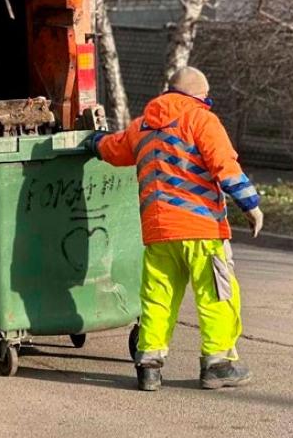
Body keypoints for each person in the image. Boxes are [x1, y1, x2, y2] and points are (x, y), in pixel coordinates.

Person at [88, 66, 264, 392]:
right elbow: (224, 165)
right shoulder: (201, 120)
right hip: (201, 229)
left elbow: (113, 149)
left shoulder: (142, 126)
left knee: (158, 298)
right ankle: (218, 364)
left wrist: (92, 141)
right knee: (216, 294)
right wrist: (250, 205)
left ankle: (149, 365)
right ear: (198, 97)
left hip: (158, 231)